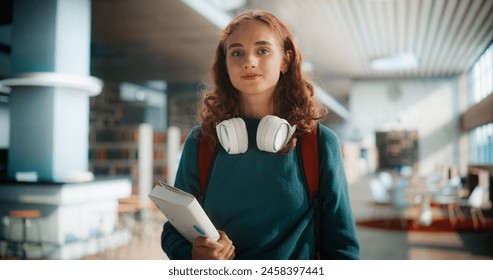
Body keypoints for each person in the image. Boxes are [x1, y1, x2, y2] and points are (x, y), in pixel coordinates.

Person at [161, 9, 360, 260]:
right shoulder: (202, 142)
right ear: (225, 63)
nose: (249, 61)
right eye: (237, 52)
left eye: (262, 50)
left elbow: (343, 249)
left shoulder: (318, 144)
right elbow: (173, 231)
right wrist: (194, 254)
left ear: (285, 60)